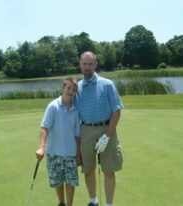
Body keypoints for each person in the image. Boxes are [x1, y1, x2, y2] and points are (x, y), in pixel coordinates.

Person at [74, 51, 123, 206]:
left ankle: (109, 204)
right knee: (88, 169)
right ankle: (93, 201)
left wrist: (107, 136)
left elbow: (116, 111)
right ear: (80, 65)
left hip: (106, 128)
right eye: (84, 64)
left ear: (95, 64)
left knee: (109, 170)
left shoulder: (107, 84)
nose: (87, 67)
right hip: (86, 130)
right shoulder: (77, 88)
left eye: (90, 64)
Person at [36, 77, 81, 206]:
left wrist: (78, 154)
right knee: (58, 182)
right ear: (63, 88)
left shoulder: (75, 110)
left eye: (73, 89)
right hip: (54, 153)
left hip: (70, 154)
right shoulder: (53, 106)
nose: (70, 91)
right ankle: (61, 202)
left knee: (71, 183)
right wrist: (41, 147)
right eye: (68, 88)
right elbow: (45, 128)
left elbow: (77, 136)